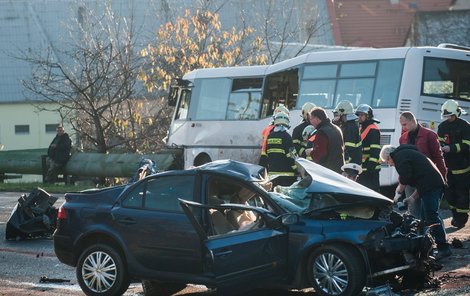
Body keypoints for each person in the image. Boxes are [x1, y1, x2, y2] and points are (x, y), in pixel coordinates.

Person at [380, 144, 452, 260]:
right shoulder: (407, 154)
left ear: (389, 157)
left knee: (431, 216)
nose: (390, 164)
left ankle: (443, 248)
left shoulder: (400, 157)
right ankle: (428, 247)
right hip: (431, 185)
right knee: (424, 218)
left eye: (388, 162)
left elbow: (405, 177)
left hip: (432, 186)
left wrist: (398, 193)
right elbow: (421, 181)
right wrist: (412, 198)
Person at [397, 111, 447, 217]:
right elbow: (403, 163)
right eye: (401, 125)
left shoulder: (430, 135)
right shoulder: (403, 138)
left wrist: (442, 177)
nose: (403, 128)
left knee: (430, 213)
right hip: (411, 181)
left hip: (428, 180)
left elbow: (439, 157)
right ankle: (417, 233)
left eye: (404, 124)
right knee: (414, 213)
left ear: (412, 120)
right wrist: (401, 181)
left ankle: (433, 233)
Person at [437, 99, 470, 229]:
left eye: (450, 115)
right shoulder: (442, 127)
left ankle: (461, 220)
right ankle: (455, 216)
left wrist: (451, 148)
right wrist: (442, 147)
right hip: (448, 168)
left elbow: (467, 145)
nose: (448, 118)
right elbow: (439, 142)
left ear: (457, 113)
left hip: (463, 167)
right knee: (450, 195)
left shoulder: (465, 126)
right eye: (446, 116)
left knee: (462, 194)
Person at [305, 107, 345, 174]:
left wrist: (311, 152)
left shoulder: (321, 132)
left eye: (311, 119)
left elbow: (320, 156)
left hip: (327, 173)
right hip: (339, 170)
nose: (311, 122)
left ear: (317, 119)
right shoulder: (337, 129)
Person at [265, 112, 297, 187]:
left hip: (272, 175)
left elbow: (267, 154)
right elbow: (292, 155)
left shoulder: (270, 136)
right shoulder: (286, 136)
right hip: (286, 176)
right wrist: (296, 169)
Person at [355, 104, 381, 192]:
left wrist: (371, 167)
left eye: (362, 115)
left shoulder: (373, 129)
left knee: (372, 193)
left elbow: (375, 149)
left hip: (371, 169)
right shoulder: (361, 128)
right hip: (363, 168)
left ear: (368, 116)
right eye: (358, 115)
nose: (359, 117)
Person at [333, 100, 362, 165]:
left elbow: (348, 150)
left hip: (349, 167)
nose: (336, 117)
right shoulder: (349, 125)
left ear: (342, 113)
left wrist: (344, 166)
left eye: (338, 114)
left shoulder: (350, 128)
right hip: (351, 165)